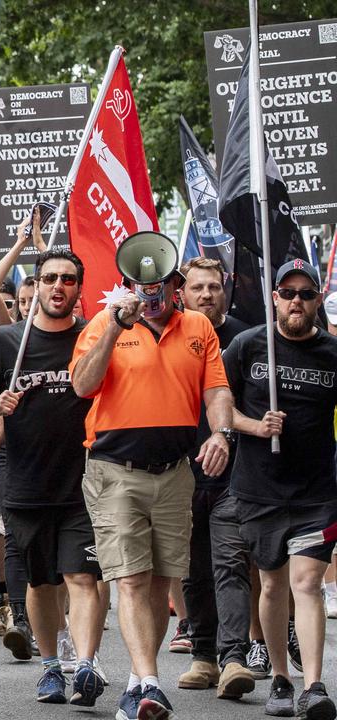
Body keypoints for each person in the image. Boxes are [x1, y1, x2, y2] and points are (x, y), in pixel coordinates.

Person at [69, 236, 232, 720]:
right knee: (134, 580)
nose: (152, 293)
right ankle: (152, 685)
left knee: (162, 582)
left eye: (160, 284)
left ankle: (139, 680)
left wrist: (221, 434)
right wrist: (117, 328)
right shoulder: (104, 322)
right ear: (127, 285)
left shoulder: (198, 325)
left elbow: (217, 391)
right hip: (115, 471)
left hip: (175, 472)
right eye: (142, 284)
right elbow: (82, 385)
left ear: (175, 286)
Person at [0, 249, 107, 707]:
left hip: (84, 484)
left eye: (68, 279)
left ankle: (85, 665)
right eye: (49, 278)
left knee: (83, 577)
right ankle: (50, 666)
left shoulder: (92, 338)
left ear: (78, 289)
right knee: (40, 584)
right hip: (25, 483)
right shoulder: (6, 342)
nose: (58, 286)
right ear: (37, 285)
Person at [224, 260, 337, 719]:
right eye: (287, 293)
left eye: (305, 294)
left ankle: (314, 684)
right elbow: (217, 405)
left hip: (317, 493)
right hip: (259, 489)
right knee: (272, 586)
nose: (296, 301)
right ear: (273, 297)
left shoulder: (332, 353)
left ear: (316, 301)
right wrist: (255, 425)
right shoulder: (248, 346)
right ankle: (280, 679)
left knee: (307, 583)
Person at [170, 257, 255, 699]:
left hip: (233, 475)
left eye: (214, 287)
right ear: (181, 292)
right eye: (197, 287)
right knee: (193, 569)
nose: (206, 295)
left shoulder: (245, 337)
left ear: (226, 289)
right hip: (181, 474)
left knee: (230, 564)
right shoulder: (169, 334)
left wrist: (230, 432)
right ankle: (202, 656)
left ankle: (234, 658)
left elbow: (250, 405)